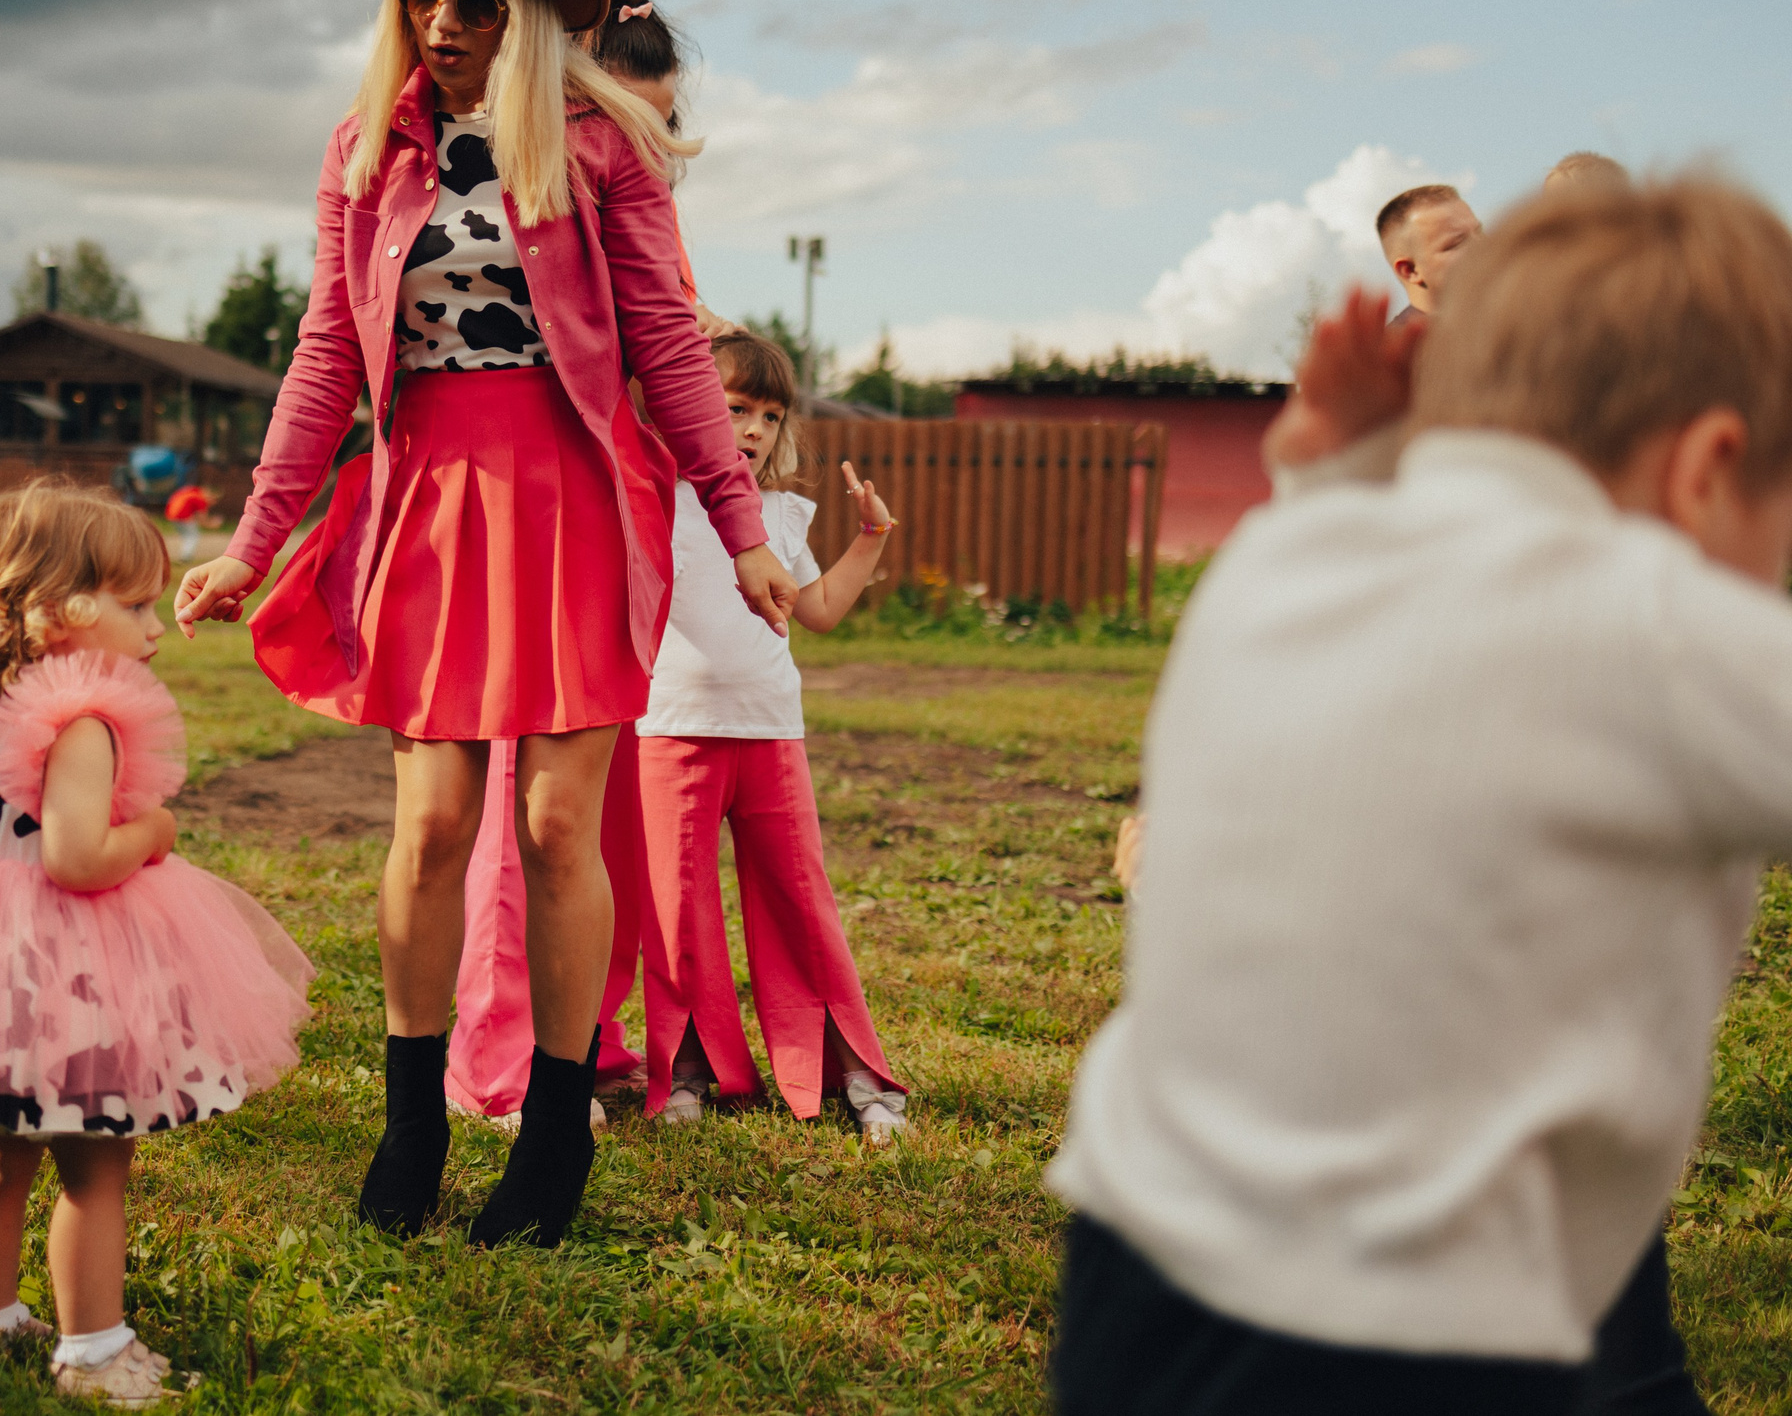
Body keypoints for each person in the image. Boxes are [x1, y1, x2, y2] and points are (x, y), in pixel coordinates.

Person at [1047, 175, 1792, 1414]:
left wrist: (1326, 469)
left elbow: (1366, 537)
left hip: (1134, 1260)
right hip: (1413, 1335)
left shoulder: (1288, 557)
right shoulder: (1660, 629)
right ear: (1710, 468)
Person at [174, 0, 799, 1250]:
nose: (443, 17)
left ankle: (560, 1133)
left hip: (575, 500)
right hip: (429, 508)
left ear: (525, 18)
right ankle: (413, 1118)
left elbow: (672, 354)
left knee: (559, 822)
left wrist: (742, 528)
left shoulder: (601, 147)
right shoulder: (361, 153)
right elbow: (326, 353)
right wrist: (253, 538)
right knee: (434, 825)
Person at [0, 482, 311, 1405]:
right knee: (95, 1160)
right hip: (70, 965)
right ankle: (94, 1353)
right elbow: (78, 859)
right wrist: (150, 834)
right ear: (65, 612)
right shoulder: (84, 721)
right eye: (134, 604)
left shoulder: (12, 698)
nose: (154, 625)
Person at [446, 0, 708, 1125]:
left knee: (588, 825)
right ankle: (502, 1062)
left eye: (660, 126)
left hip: (617, 521)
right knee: (514, 813)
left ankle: (584, 1041)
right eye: (626, 120)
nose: (644, 147)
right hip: (522, 516)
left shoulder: (628, 194)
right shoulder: (514, 189)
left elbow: (667, 344)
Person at [634, 331, 908, 1142]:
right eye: (735, 407)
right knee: (676, 912)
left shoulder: (782, 513)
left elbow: (816, 610)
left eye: (769, 414)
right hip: (669, 732)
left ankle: (850, 1068)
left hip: (770, 734)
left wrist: (870, 540)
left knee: (800, 901)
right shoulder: (648, 495)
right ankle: (687, 1070)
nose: (752, 428)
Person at [1376, 182, 1484, 323]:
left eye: (1479, 232)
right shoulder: (1403, 344)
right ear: (1410, 270)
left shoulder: (1499, 328)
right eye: (1458, 243)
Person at [162, 479, 213, 564]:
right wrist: (211, 524)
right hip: (182, 516)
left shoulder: (190, 491)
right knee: (193, 536)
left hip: (171, 515)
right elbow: (202, 519)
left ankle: (181, 556)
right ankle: (185, 558)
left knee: (186, 536)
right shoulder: (200, 498)